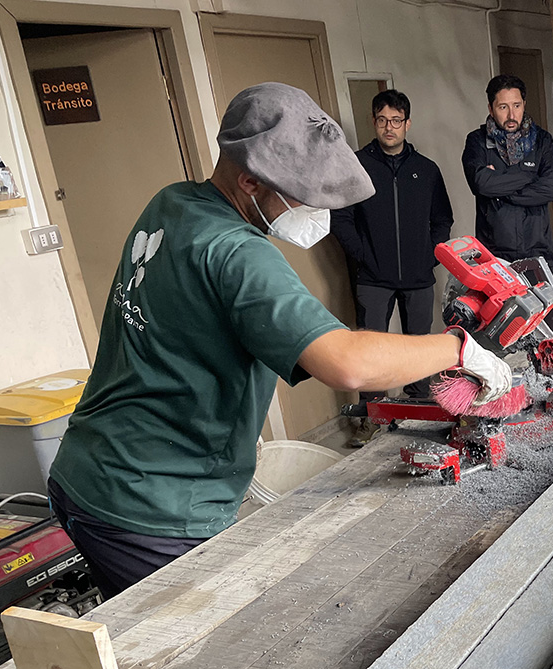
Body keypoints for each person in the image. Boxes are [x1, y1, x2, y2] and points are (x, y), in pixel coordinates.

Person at [47, 83, 511, 599]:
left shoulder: (172, 203)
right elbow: (345, 362)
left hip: (86, 468)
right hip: (150, 504)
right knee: (208, 654)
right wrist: (459, 349)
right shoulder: (239, 254)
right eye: (302, 196)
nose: (315, 210)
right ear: (249, 182)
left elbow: (188, 328)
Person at [332, 89, 454, 445]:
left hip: (418, 276)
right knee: (370, 349)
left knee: (418, 347)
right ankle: (370, 419)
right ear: (374, 122)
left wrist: (429, 255)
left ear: (407, 124)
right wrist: (364, 255)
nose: (390, 127)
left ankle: (417, 411)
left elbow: (442, 220)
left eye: (396, 121)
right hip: (372, 277)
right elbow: (340, 219)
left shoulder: (426, 170)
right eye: (383, 120)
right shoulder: (356, 167)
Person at [461, 75, 553, 263]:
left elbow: (551, 188)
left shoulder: (542, 141)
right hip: (493, 254)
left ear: (524, 104)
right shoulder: (477, 141)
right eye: (503, 107)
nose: (511, 115)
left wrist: (499, 187)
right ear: (491, 109)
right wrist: (530, 176)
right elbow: (482, 184)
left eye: (517, 105)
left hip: (537, 250)